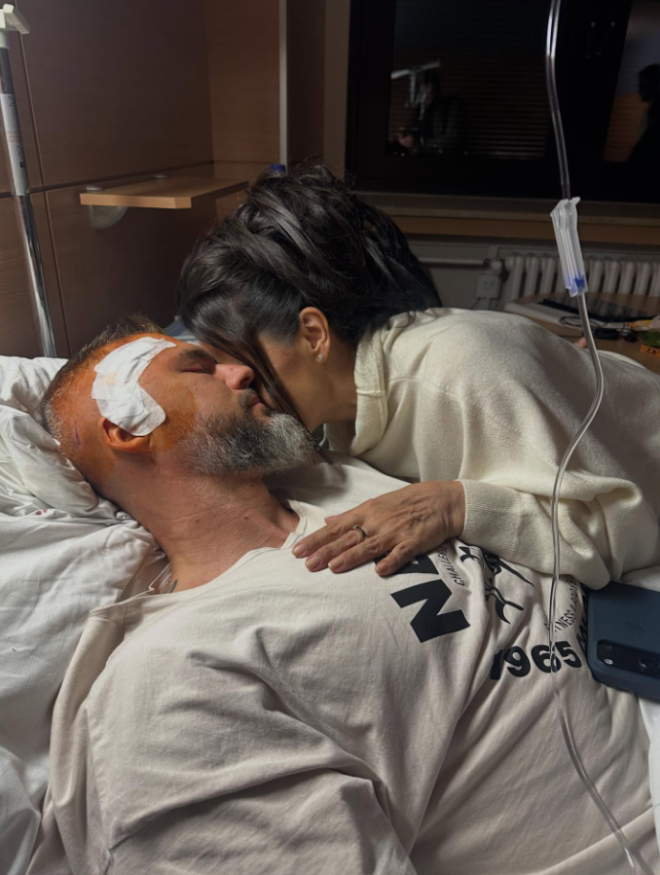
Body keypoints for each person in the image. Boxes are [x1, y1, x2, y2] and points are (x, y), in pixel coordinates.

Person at [27, 321, 658, 874]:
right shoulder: (178, 679)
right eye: (198, 368)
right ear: (128, 426)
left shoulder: (338, 478)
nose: (241, 371)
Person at [176, 165, 660, 589]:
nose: (232, 379)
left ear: (314, 335)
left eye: (236, 357)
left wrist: (455, 505)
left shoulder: (457, 376)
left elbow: (626, 531)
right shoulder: (336, 411)